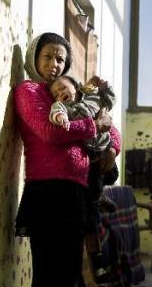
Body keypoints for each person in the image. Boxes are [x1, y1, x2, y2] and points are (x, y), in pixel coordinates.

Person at [13, 32, 120, 287]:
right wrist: (92, 125)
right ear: (35, 59)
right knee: (46, 270)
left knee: (69, 271)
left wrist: (111, 144)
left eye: (59, 59)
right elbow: (51, 133)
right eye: (47, 57)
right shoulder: (30, 93)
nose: (53, 64)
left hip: (77, 193)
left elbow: (110, 127)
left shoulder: (73, 95)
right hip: (46, 192)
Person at [48, 74, 119, 213]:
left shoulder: (93, 97)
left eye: (63, 88)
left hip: (106, 145)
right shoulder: (66, 108)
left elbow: (110, 101)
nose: (61, 93)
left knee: (113, 175)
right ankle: (99, 200)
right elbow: (56, 110)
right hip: (91, 153)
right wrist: (60, 117)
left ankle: (100, 192)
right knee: (95, 181)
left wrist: (105, 88)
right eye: (56, 94)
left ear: (76, 87)